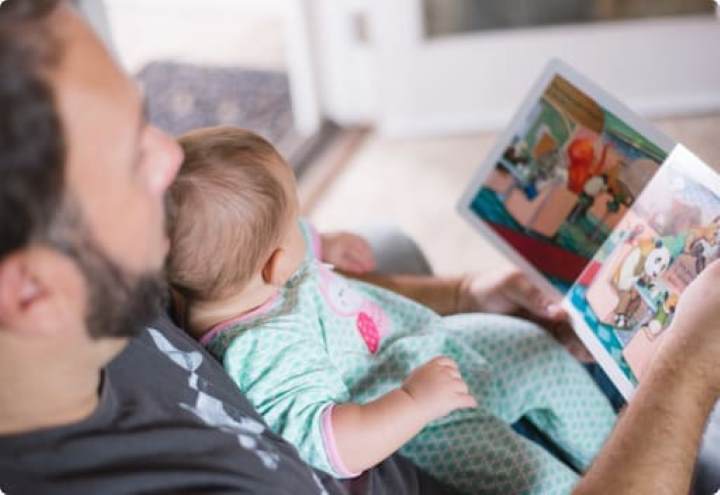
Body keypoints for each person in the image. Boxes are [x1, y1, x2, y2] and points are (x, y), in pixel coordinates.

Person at [0, 1, 717, 494]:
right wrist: (691, 364)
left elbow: (292, 290)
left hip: (437, 368)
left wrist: (463, 291)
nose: (169, 156)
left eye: (147, 117)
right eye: (130, 158)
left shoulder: (124, 273)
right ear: (30, 292)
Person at [165, 126, 616, 494]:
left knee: (534, 346)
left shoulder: (241, 275)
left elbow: (282, 243)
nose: (303, 226)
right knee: (538, 482)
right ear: (276, 263)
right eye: (295, 220)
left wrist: (324, 242)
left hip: (423, 343)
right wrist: (415, 402)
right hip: (427, 423)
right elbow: (332, 443)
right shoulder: (262, 350)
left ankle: (618, 455)